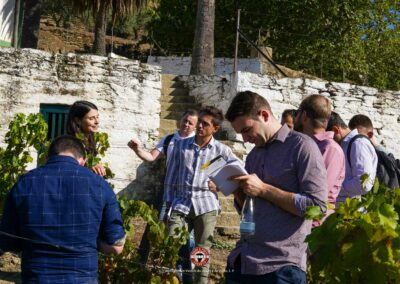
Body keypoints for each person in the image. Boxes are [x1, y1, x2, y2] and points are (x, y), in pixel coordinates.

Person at [224, 91, 327, 283]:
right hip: (244, 260)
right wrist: (235, 188)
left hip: (281, 266)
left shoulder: (302, 147)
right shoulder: (254, 154)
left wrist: (264, 189)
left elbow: (317, 207)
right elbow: (251, 208)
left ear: (264, 115)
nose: (245, 139)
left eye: (247, 130)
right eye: (241, 133)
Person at [0, 135, 125, 283]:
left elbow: (8, 242)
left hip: (37, 278)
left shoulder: (24, 183)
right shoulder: (99, 185)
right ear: (83, 161)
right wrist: (90, 241)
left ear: (46, 158)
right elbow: (116, 247)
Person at [164, 106, 240, 284]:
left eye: (205, 124)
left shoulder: (221, 151)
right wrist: (167, 205)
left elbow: (240, 172)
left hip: (206, 206)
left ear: (215, 128)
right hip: (180, 203)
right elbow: (170, 177)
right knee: (174, 247)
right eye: (199, 122)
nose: (199, 127)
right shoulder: (180, 146)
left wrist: (221, 184)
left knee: (201, 252)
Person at [128, 109, 198, 283]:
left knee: (185, 237)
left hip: (188, 197)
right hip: (166, 194)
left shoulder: (198, 142)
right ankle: (140, 263)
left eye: (190, 122)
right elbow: (151, 157)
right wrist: (137, 149)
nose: (186, 124)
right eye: (184, 120)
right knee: (152, 229)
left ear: (196, 126)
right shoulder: (169, 140)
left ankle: (185, 272)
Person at [294, 94, 345, 225]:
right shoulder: (305, 144)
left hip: (316, 227)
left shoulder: (330, 149)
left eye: (296, 114)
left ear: (304, 116)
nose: (294, 118)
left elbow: (319, 192)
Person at [326, 112, 378, 202]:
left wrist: (333, 188)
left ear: (335, 130)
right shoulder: (347, 144)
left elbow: (363, 184)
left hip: (348, 211)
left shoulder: (358, 144)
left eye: (328, 137)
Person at [66, 100, 106, 176]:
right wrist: (89, 167)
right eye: (91, 118)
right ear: (78, 120)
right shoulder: (70, 144)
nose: (97, 121)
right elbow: (70, 170)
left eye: (97, 117)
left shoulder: (90, 139)